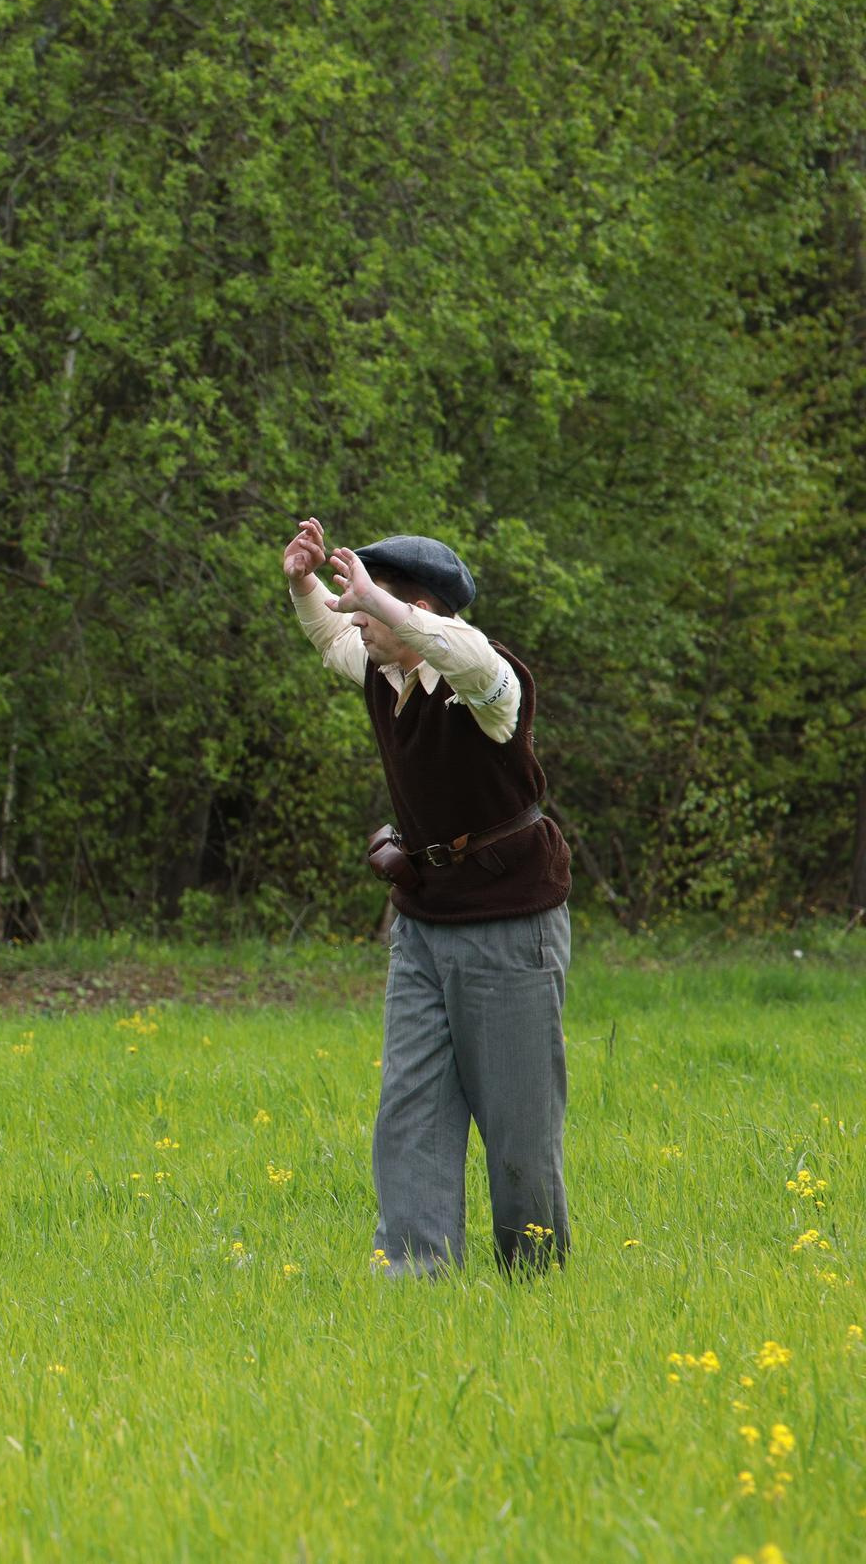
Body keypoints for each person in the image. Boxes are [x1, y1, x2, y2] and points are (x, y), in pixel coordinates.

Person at [281, 518, 574, 1275]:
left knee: (517, 1129)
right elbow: (329, 638)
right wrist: (304, 584)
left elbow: (468, 650)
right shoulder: (387, 673)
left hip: (512, 921)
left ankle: (535, 1282)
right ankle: (416, 1279)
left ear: (417, 611)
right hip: (423, 920)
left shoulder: (489, 687)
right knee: (408, 1110)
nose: (358, 622)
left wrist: (390, 606)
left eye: (371, 607)